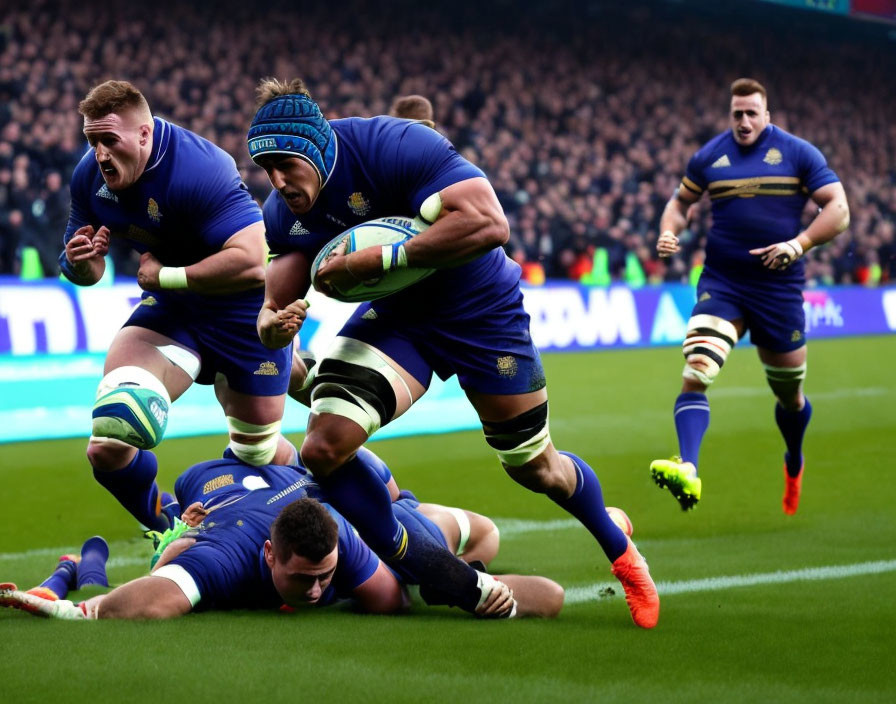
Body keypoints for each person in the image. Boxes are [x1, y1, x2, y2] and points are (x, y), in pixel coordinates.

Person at [248, 78, 658, 628]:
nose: (278, 180)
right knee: (323, 446)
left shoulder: (392, 147)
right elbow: (281, 290)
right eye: (267, 168)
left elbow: (491, 223)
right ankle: (416, 558)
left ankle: (622, 553)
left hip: (481, 311)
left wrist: (384, 260)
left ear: (318, 147)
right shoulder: (284, 208)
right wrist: (273, 325)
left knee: (537, 468)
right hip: (402, 319)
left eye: (287, 164)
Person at [58, 80, 295, 532]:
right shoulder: (89, 176)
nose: (100, 154)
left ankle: (332, 494)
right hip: (172, 315)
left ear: (144, 134)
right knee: (110, 437)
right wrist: (81, 262)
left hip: (241, 315)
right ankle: (171, 529)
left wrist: (165, 275)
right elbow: (77, 270)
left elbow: (251, 262)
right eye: (92, 141)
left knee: (259, 454)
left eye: (110, 140)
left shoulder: (199, 168)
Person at [0, 451, 567, 620]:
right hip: (288, 494)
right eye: (304, 579)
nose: (317, 591)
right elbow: (156, 599)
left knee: (477, 540)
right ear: (270, 553)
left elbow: (388, 598)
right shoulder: (230, 548)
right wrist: (82, 611)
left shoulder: (343, 540)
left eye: (323, 579)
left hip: (372, 515)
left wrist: (474, 593)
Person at [649, 77, 850, 514]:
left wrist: (798, 245)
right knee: (697, 367)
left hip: (778, 290)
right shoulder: (709, 156)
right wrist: (669, 231)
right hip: (724, 282)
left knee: (789, 395)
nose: (743, 121)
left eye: (751, 113)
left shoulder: (798, 153)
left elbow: (838, 207)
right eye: (737, 113)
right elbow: (680, 205)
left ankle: (793, 458)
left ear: (767, 115)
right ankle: (689, 466)